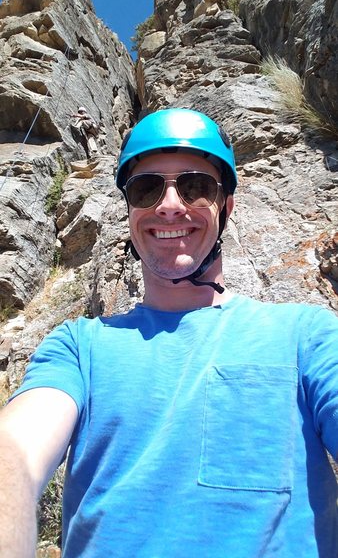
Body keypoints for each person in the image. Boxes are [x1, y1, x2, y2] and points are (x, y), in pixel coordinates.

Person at [0, 108, 337, 558]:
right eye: (147, 187)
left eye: (196, 185)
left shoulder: (306, 335)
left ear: (226, 206)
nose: (170, 204)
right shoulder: (79, 347)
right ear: (129, 211)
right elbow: (16, 451)